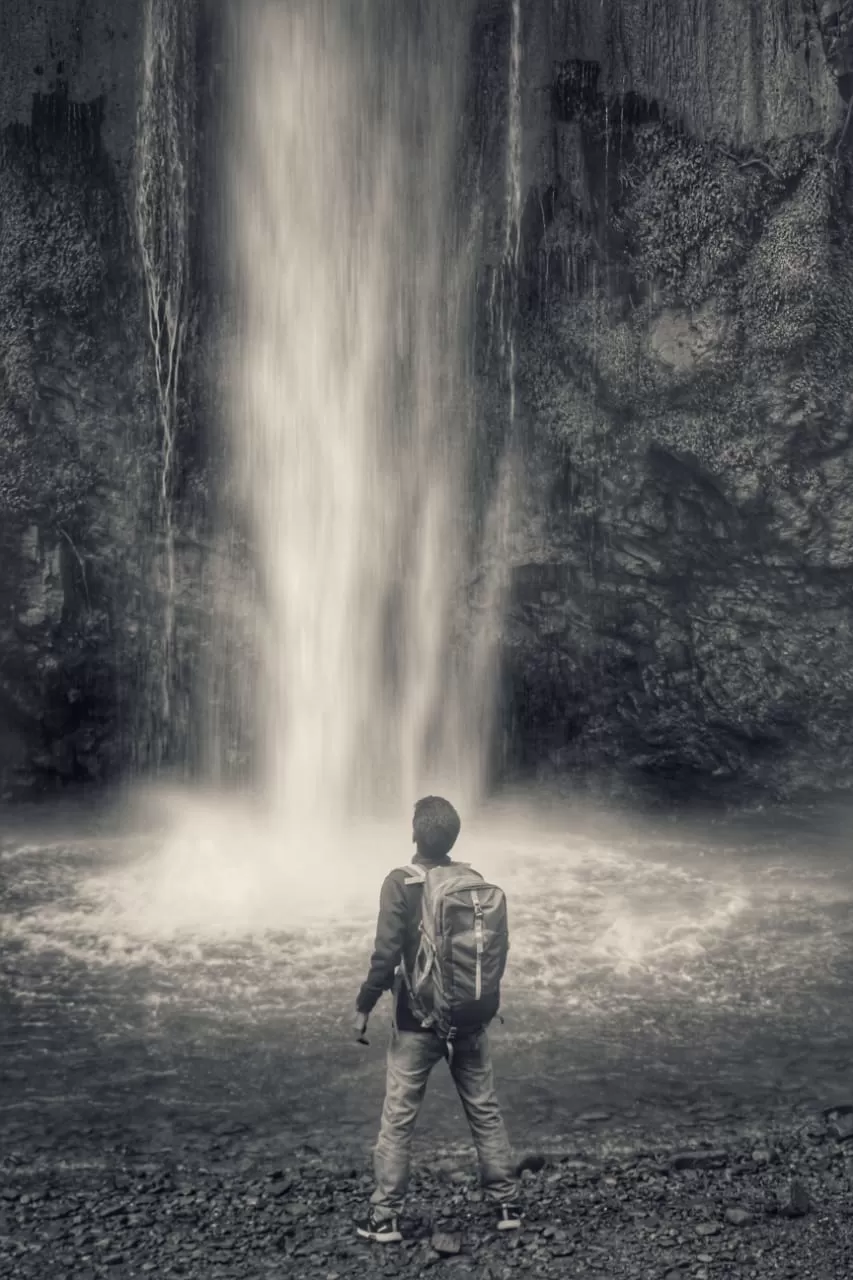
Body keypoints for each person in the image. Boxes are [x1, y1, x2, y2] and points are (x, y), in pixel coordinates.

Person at [352, 795, 521, 1243]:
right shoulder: (472, 881)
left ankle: (384, 1215)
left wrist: (364, 1005)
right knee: (484, 1109)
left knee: (398, 1118)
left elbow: (386, 955)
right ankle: (506, 1203)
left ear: (414, 833)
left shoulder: (399, 883)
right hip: (469, 1016)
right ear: (453, 838)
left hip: (416, 1019)